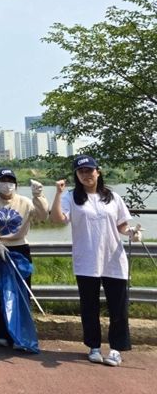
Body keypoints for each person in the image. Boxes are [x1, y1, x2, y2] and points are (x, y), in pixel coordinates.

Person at [49, 154, 141, 367]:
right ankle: (94, 347)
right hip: (87, 260)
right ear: (77, 175)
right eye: (81, 172)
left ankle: (116, 349)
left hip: (114, 259)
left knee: (118, 307)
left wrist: (132, 234)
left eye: (89, 170)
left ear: (98, 172)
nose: (86, 175)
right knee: (89, 307)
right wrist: (58, 193)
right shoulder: (71, 197)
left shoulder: (113, 197)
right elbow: (57, 219)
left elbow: (122, 227)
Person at [0, 168, 49, 282]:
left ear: (16, 184)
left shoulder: (25, 202)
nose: (7, 184)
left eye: (10, 181)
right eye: (3, 180)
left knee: (23, 285)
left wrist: (38, 197)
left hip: (20, 249)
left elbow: (42, 216)